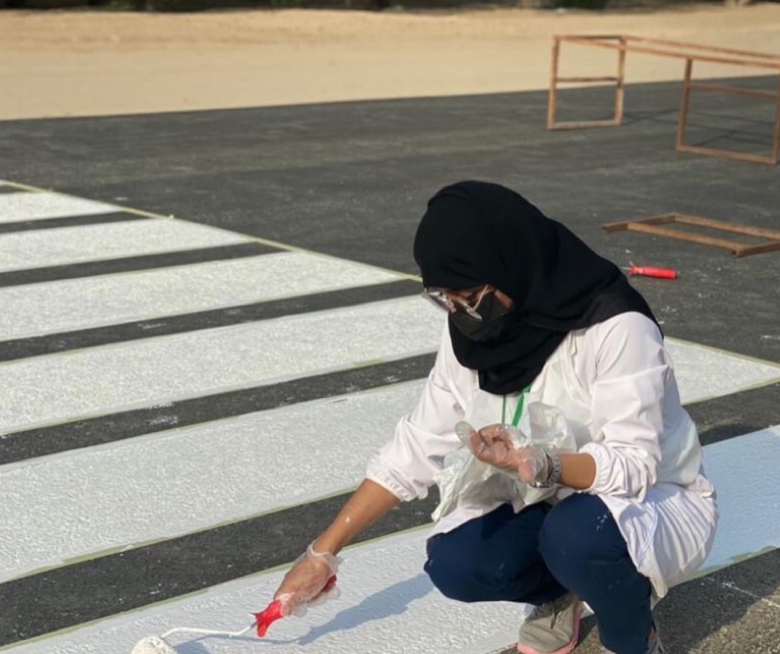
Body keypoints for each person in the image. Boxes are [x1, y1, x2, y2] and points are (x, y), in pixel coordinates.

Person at [269, 181, 719, 654]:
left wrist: (545, 464)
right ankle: (557, 594)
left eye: (470, 296)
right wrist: (323, 552)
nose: (462, 313)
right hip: (546, 497)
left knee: (579, 536)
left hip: (648, 498)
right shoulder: (472, 338)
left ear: (511, 263)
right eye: (447, 299)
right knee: (458, 561)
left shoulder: (616, 328)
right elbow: (415, 446)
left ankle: (632, 637)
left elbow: (634, 465)